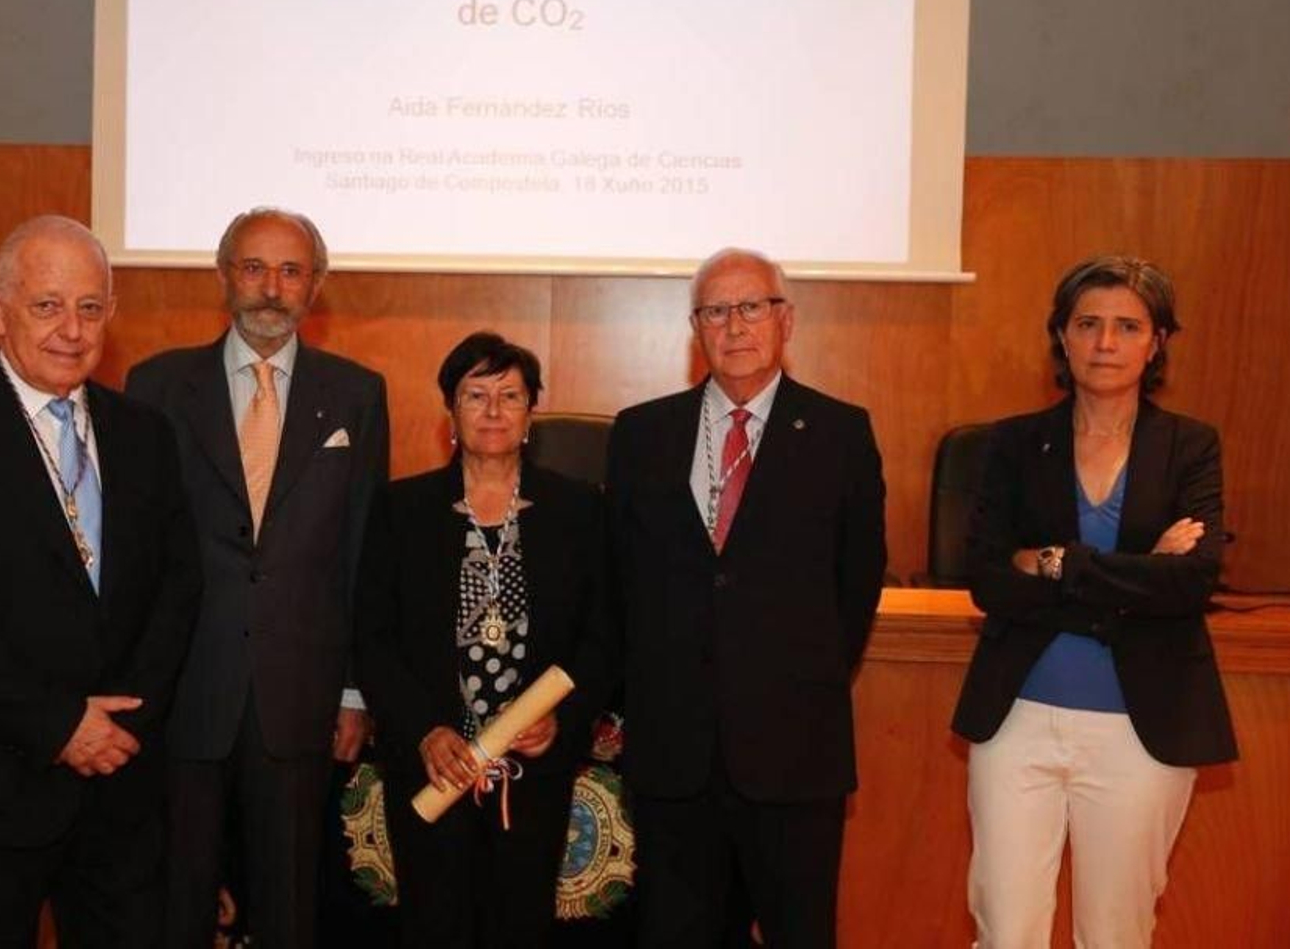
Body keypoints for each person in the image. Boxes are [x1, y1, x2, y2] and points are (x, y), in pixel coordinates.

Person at [0, 216, 201, 947]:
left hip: (121, 788)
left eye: (90, 307)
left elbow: (179, 587)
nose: (71, 330)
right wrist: (59, 724)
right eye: (46, 305)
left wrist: (120, 727)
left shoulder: (145, 435)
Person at [951, 255, 1237, 948]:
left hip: (1142, 730)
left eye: (1127, 325)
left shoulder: (1189, 445)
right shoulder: (1013, 442)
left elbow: (1192, 581)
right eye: (1087, 324)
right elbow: (989, 578)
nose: (1105, 342)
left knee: (1116, 933)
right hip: (1017, 722)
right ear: (1062, 335)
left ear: (1157, 341)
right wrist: (1136, 574)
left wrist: (1055, 562)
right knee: (1006, 930)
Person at [606, 248, 887, 948]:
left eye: (751, 306)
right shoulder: (642, 432)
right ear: (695, 327)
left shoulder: (840, 433)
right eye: (716, 310)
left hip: (794, 750)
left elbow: (855, 586)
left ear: (785, 319)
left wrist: (793, 675)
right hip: (675, 753)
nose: (734, 325)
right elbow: (620, 579)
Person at [124, 207, 389, 949]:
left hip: (301, 698)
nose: (271, 288)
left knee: (290, 910)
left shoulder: (357, 394)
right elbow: (138, 551)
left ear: (316, 285)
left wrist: (353, 689)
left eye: (291, 270)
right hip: (184, 693)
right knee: (175, 905)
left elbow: (362, 548)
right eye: (253, 267)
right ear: (224, 276)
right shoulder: (156, 385)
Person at [355, 332, 614, 949]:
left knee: (518, 926)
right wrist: (424, 728)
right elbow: (372, 637)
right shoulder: (400, 508)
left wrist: (562, 717)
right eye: (476, 395)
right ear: (451, 410)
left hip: (532, 771)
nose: (494, 411)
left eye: (510, 395)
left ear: (531, 413)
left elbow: (605, 636)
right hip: (434, 767)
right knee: (434, 925)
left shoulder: (579, 510)